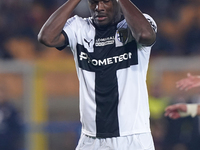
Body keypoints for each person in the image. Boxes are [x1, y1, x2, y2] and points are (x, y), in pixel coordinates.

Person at [38, 0, 157, 149]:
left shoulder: (138, 24)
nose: (98, 8)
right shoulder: (79, 27)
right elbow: (46, 37)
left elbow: (145, 36)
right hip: (91, 139)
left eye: (106, 2)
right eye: (93, 2)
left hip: (132, 138)